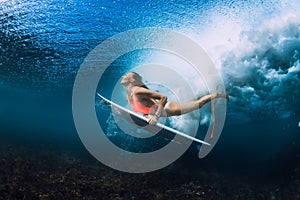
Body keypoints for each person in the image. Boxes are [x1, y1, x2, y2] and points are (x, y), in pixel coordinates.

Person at [121, 72, 228, 125]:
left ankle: (217, 95)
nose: (123, 77)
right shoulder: (128, 97)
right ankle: (201, 95)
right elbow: (146, 106)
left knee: (198, 104)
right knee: (192, 102)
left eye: (126, 76)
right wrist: (146, 115)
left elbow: (163, 97)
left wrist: (155, 118)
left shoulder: (138, 91)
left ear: (132, 81)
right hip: (164, 109)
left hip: (169, 109)